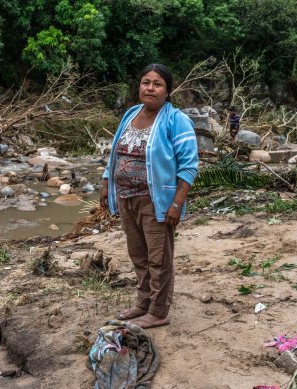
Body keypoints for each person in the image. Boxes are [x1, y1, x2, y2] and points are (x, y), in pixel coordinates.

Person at [100, 64, 199, 329]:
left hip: (156, 200)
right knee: (138, 255)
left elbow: (189, 166)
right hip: (126, 198)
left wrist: (177, 203)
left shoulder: (175, 120)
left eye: (157, 84)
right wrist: (106, 181)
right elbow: (116, 152)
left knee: (159, 258)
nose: (150, 88)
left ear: (168, 91)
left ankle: (158, 311)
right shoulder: (132, 113)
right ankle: (142, 303)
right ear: (139, 86)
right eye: (146, 82)